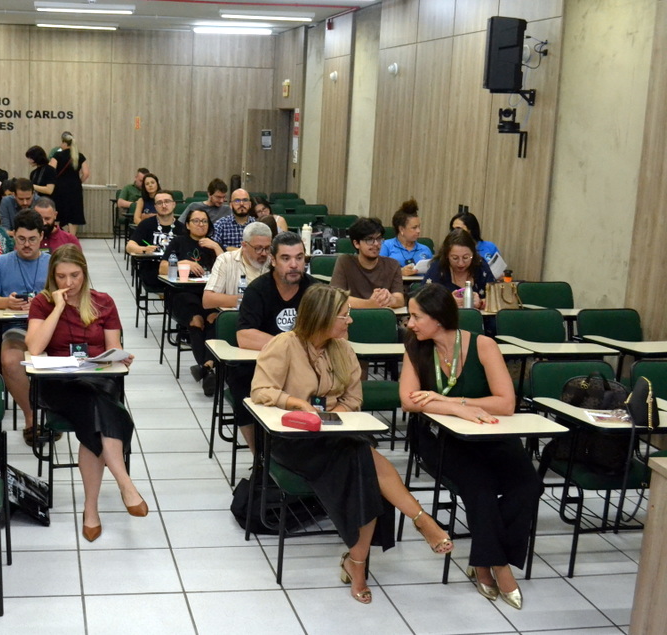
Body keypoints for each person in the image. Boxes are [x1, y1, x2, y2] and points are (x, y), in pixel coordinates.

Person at [250, 284, 453, 604]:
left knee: (360, 461)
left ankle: (358, 563)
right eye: (344, 315)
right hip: (294, 439)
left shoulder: (343, 349)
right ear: (321, 318)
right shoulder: (284, 345)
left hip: (336, 434)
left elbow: (353, 399)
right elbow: (261, 391)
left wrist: (335, 416)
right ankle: (418, 520)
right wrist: (297, 404)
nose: (350, 321)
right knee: (363, 460)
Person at [400, 283, 538, 609]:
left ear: (438, 318)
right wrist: (454, 409)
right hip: (440, 439)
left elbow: (505, 404)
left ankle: (483, 560)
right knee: (481, 489)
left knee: (528, 485)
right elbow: (408, 401)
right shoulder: (415, 347)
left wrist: (449, 399)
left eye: (416, 316)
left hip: (490, 434)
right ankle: (499, 568)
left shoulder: (483, 345)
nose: (410, 323)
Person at [25, 245, 144, 542]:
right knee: (99, 409)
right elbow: (35, 348)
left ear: (85, 273)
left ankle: (90, 509)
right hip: (58, 384)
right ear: (52, 276)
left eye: (75, 275)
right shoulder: (42, 303)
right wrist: (59, 308)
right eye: (61, 276)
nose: (68, 283)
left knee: (94, 409)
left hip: (98, 379)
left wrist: (120, 357)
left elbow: (111, 347)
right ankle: (124, 482)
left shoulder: (103, 302)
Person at [230, 231, 318, 451]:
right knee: (239, 380)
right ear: (273, 260)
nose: (294, 265)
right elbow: (245, 335)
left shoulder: (314, 290)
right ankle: (259, 455)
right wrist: (289, 346)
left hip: (308, 363)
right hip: (265, 363)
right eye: (286, 259)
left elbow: (330, 330)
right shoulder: (258, 290)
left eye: (299, 258)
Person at [0, 209, 53, 444]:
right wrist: (7, 301)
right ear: (14, 237)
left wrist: (43, 302)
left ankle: (54, 412)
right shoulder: (0, 262)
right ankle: (31, 416)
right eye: (21, 239)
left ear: (41, 237)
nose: (26, 245)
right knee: (10, 361)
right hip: (14, 325)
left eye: (32, 239)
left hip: (49, 327)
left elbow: (70, 295)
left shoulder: (53, 262)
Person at [158, 208, 223, 393]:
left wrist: (217, 248)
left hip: (209, 295)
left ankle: (206, 368)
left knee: (214, 319)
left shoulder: (213, 245)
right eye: (196, 221)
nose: (200, 224)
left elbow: (227, 269)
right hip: (182, 295)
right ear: (187, 224)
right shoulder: (179, 242)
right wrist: (183, 263)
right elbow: (162, 268)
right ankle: (209, 367)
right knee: (197, 320)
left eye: (204, 221)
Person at [331, 217, 405, 309]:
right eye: (369, 240)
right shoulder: (345, 262)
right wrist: (370, 304)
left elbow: (400, 300)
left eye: (379, 239)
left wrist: (389, 299)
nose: (376, 244)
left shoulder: (393, 265)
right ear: (356, 243)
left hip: (382, 319)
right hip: (352, 318)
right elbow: (336, 299)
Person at [202, 221, 273, 311]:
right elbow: (208, 300)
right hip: (237, 318)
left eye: (267, 248)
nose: (264, 253)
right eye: (258, 248)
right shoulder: (226, 260)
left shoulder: (273, 262)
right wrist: (250, 300)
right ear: (244, 245)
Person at [423, 229, 496, 309]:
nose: (461, 263)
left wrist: (481, 302)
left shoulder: (480, 265)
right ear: (447, 255)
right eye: (455, 258)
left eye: (466, 257)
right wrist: (447, 302)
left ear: (473, 253)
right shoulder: (438, 267)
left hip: (479, 319)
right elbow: (422, 299)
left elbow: (495, 298)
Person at [48, 131, 89, 234]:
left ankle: (60, 236)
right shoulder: (80, 156)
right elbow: (86, 173)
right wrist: (78, 181)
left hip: (59, 188)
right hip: (75, 188)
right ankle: (72, 238)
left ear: (65, 143)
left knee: (60, 212)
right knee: (74, 213)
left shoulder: (57, 155)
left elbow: (50, 171)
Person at [380, 198, 433, 275]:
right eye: (414, 228)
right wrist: (399, 272)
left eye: (419, 227)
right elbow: (379, 271)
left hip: (421, 285)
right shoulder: (386, 246)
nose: (418, 231)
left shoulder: (425, 249)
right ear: (401, 229)